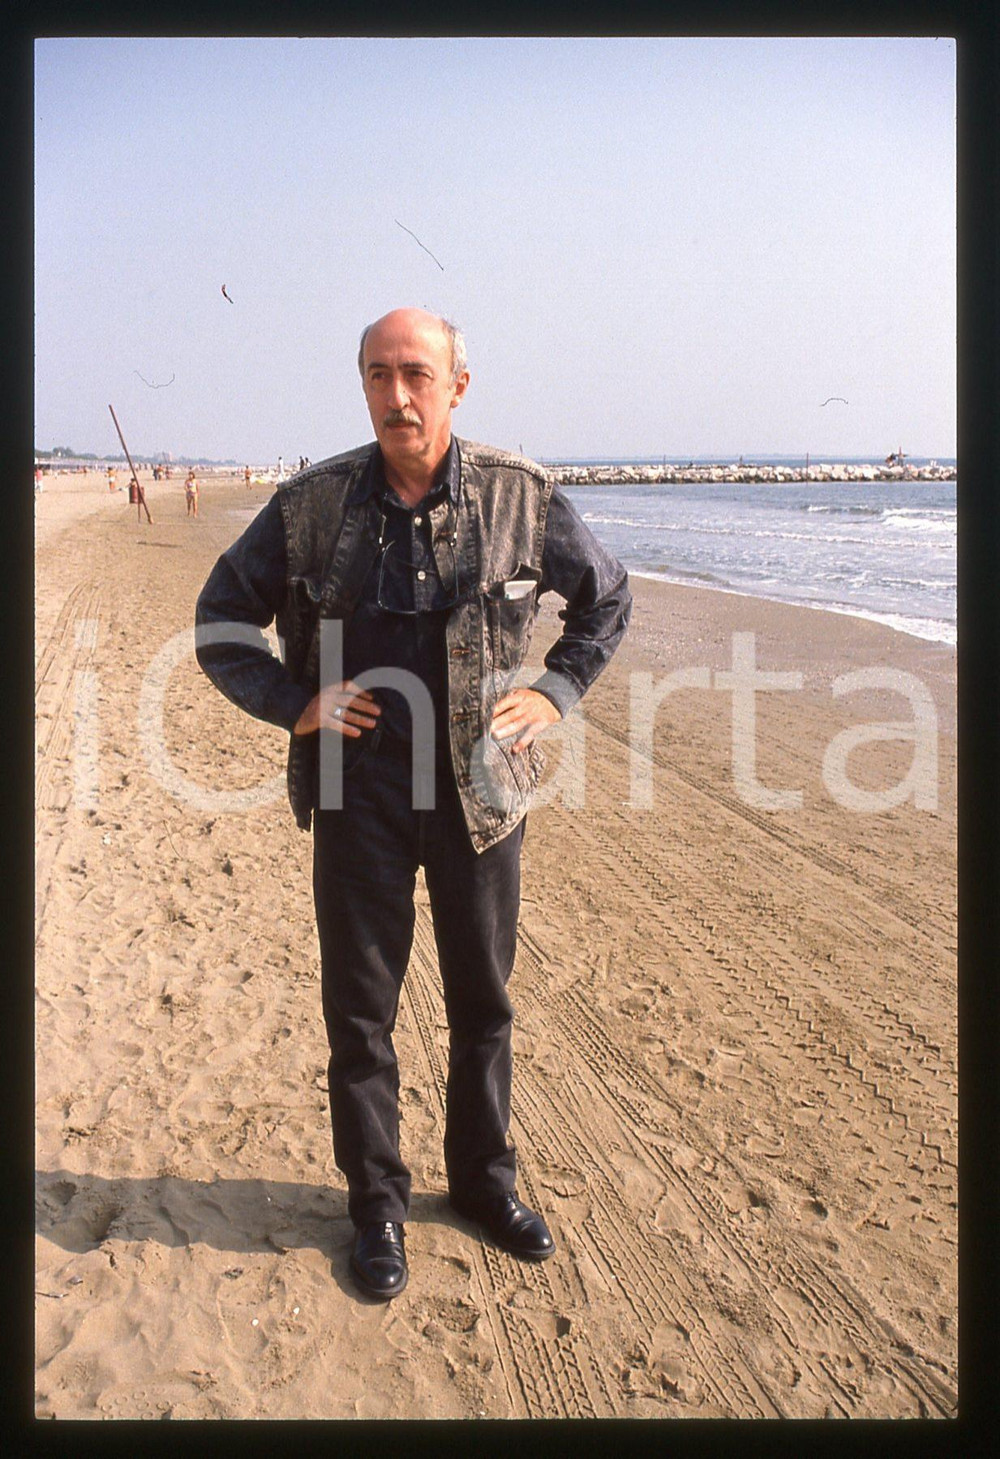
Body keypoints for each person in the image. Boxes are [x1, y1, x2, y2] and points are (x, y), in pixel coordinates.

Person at [195, 308, 631, 1300]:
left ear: (457, 385)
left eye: (417, 375)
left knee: (483, 1004)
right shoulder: (312, 506)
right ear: (362, 384)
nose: (398, 395)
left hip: (482, 796)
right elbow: (221, 615)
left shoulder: (520, 497)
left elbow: (603, 595)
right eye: (379, 376)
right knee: (361, 1014)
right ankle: (376, 1207)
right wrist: (292, 702)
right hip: (360, 795)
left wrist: (557, 689)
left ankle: (481, 1184)